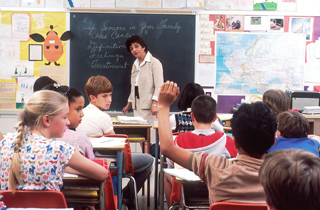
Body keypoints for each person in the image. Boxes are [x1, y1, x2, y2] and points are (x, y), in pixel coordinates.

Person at [158, 81, 277, 204]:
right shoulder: (282, 175)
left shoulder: (216, 168)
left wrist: (163, 106)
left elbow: (167, 148)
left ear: (235, 141)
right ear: (273, 141)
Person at [0, 90, 108, 192]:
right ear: (46, 120)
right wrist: (66, 167)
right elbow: (102, 174)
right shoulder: (61, 149)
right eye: (65, 117)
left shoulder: (4, 144)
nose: (68, 122)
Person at [77, 75, 154, 210]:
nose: (110, 100)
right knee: (148, 160)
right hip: (107, 162)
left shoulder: (80, 113)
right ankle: (126, 197)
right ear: (92, 98)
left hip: (88, 161)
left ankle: (124, 196)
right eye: (104, 96)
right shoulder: (103, 117)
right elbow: (118, 147)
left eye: (110, 95)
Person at [164, 95, 237, 208]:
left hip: (186, 193)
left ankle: (174, 206)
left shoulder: (179, 140)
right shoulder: (227, 141)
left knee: (166, 175)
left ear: (192, 116)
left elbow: (171, 165)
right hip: (218, 195)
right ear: (215, 118)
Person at [122, 35, 164, 144]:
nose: (134, 50)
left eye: (136, 46)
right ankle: (146, 160)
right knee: (142, 139)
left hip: (150, 108)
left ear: (143, 47)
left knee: (151, 140)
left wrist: (155, 103)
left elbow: (159, 85)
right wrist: (129, 103)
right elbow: (134, 86)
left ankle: (152, 160)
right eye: (131, 49)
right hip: (138, 108)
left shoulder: (154, 63)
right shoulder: (135, 65)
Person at [43, 84, 95, 159]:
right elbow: (94, 165)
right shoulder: (79, 139)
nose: (82, 114)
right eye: (78, 109)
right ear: (63, 108)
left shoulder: (34, 136)